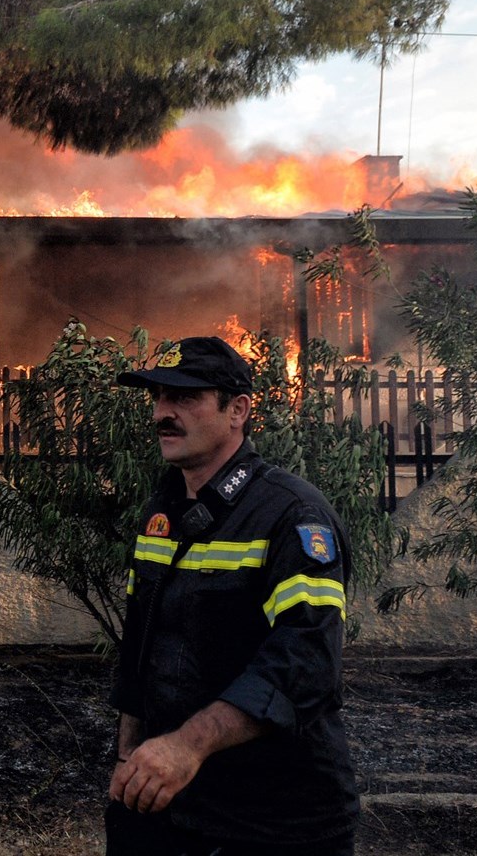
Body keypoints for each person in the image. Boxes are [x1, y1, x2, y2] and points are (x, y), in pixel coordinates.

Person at [105, 336, 358, 856]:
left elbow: (306, 659)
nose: (162, 413)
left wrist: (186, 746)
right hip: (165, 809)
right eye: (157, 398)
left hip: (273, 820)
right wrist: (127, 754)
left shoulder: (290, 515)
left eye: (185, 398)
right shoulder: (162, 514)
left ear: (238, 410)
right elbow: (141, 645)